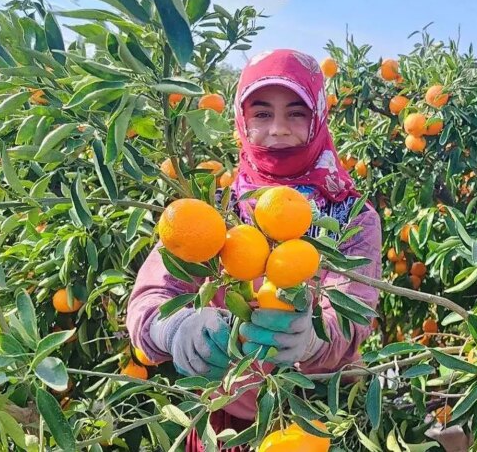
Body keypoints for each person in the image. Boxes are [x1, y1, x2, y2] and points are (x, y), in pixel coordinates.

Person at [126, 49, 383, 451]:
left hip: (312, 419)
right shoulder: (215, 208)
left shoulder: (351, 216)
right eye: (262, 114)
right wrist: (174, 330)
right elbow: (153, 295)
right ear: (242, 121)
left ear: (318, 117)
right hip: (224, 423)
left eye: (296, 113)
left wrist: (314, 340)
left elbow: (353, 315)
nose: (278, 129)